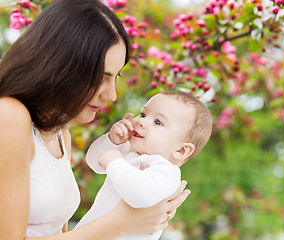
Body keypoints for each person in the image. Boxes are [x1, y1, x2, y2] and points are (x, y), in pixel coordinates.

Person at [0, 0, 190, 239]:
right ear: (60, 65)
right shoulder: (8, 116)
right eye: (101, 77)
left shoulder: (59, 133)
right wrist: (124, 221)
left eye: (116, 77)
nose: (111, 95)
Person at [75, 90, 212, 239]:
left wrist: (114, 162)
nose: (141, 121)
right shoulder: (129, 150)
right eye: (143, 114)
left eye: (158, 122)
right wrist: (111, 141)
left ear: (181, 150)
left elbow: (141, 196)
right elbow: (94, 162)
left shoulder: (166, 171)